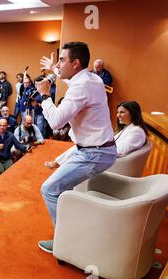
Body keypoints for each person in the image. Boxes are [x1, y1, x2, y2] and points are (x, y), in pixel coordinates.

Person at [36, 42, 117, 254]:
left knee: (50, 189)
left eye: (63, 60)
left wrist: (45, 95)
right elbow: (67, 76)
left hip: (94, 153)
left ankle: (67, 241)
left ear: (76, 63)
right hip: (97, 149)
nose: (59, 65)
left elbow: (55, 122)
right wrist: (55, 66)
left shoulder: (81, 87)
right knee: (64, 189)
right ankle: (76, 231)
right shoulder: (91, 78)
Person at [45, 100, 147, 169]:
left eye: (122, 112)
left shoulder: (137, 132)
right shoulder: (130, 128)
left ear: (133, 113)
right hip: (109, 155)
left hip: (112, 161)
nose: (118, 115)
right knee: (84, 145)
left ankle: (60, 164)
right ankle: (59, 163)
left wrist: (99, 147)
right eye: (118, 112)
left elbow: (121, 150)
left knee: (85, 147)